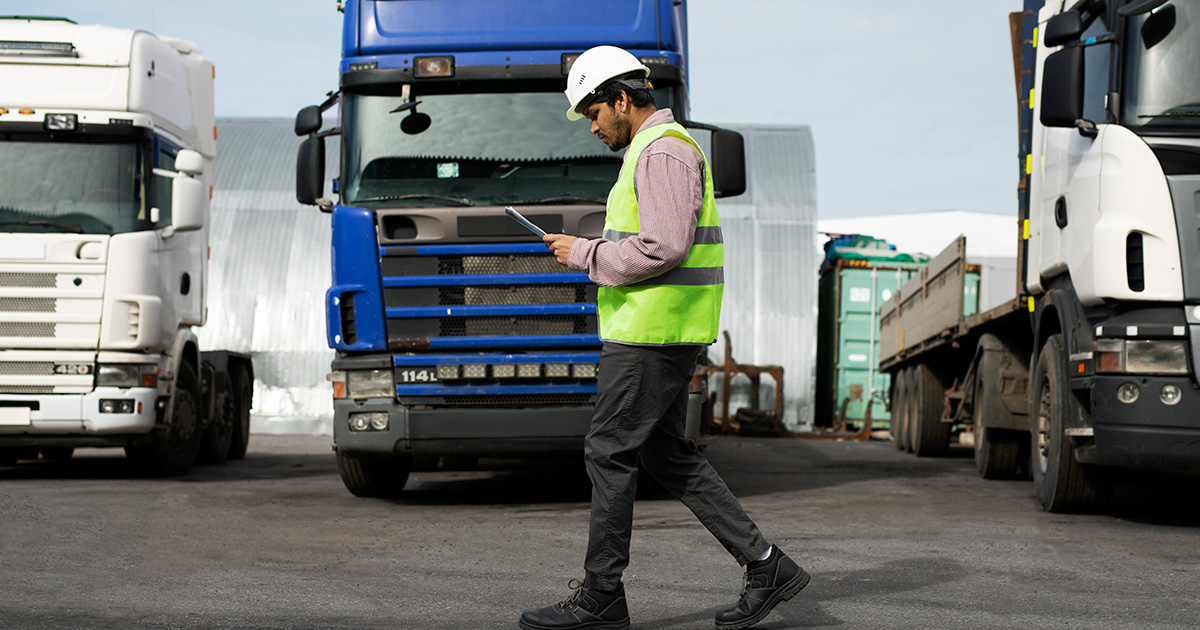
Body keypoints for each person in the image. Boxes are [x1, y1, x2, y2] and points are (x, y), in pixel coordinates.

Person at [518, 45, 809, 630]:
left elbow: (665, 246)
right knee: (665, 454)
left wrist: (585, 254)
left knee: (608, 450)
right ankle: (766, 565)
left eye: (594, 113)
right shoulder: (655, 151)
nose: (592, 126)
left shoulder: (663, 151)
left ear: (623, 99)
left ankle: (601, 596)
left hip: (651, 335)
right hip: (660, 329)